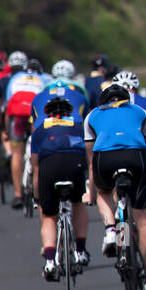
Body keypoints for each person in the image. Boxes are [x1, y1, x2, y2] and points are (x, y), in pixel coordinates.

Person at [85, 83, 146, 290]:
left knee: (104, 192)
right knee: (143, 220)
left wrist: (91, 191)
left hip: (105, 160)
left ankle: (110, 229)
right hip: (135, 158)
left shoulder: (92, 115)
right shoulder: (140, 112)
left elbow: (91, 160)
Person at [29, 96, 90, 280]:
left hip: (50, 166)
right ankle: (80, 251)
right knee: (78, 203)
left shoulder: (39, 131)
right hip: (75, 164)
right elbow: (88, 157)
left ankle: (49, 261)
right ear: (69, 113)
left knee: (49, 216)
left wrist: (37, 196)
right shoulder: (77, 126)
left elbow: (35, 168)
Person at [1, 51, 47, 210]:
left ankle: (18, 195)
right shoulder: (43, 79)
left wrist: (6, 129)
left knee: (17, 154)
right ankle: (38, 190)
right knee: (38, 152)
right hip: (34, 114)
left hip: (17, 115)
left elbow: (7, 106)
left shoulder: (14, 78)